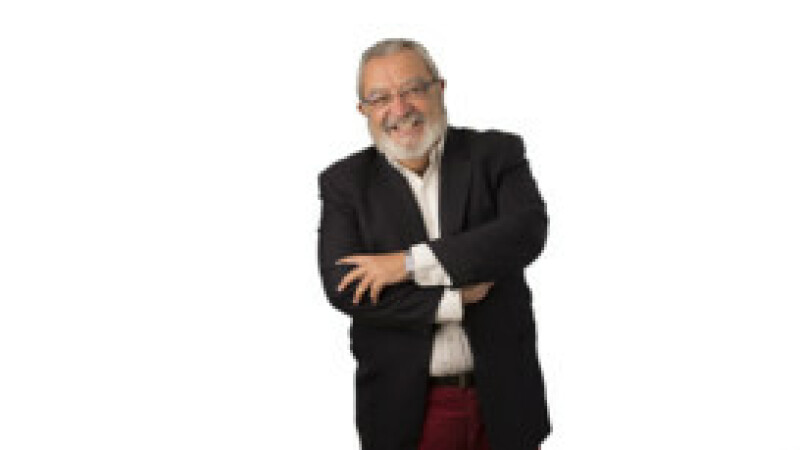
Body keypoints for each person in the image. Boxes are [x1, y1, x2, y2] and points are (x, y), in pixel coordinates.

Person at [317, 38, 551, 450]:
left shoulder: (496, 153)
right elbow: (344, 286)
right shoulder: (345, 183)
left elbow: (525, 232)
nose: (399, 108)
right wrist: (453, 300)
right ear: (363, 110)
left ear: (439, 89)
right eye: (380, 98)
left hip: (506, 402)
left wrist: (406, 264)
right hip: (407, 411)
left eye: (412, 89)